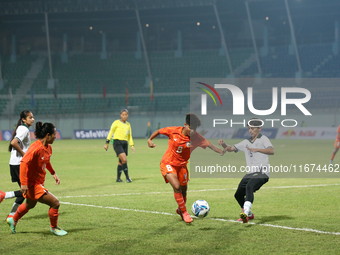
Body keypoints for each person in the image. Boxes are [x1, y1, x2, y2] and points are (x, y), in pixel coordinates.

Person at [148, 113, 225, 223]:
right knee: (176, 186)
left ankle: (180, 209)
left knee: (184, 192)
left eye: (194, 129)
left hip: (182, 166)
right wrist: (150, 139)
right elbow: (159, 131)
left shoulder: (196, 137)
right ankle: (185, 213)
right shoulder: (173, 130)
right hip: (168, 163)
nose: (192, 131)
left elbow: (210, 145)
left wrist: (221, 151)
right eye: (190, 128)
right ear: (185, 125)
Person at [6, 122, 67, 236]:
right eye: (54, 134)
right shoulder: (36, 147)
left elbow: (46, 161)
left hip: (38, 182)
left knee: (30, 204)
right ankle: (54, 228)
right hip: (32, 184)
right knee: (55, 203)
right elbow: (24, 162)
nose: (55, 136)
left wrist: (53, 173)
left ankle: (13, 219)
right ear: (48, 135)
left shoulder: (48, 148)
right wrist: (23, 184)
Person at [218, 118, 274, 223]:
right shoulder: (246, 142)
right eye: (249, 128)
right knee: (238, 195)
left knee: (249, 186)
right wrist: (224, 144)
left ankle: (246, 212)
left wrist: (257, 149)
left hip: (262, 172)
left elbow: (271, 150)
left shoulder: (263, 139)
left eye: (253, 128)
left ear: (259, 128)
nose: (250, 130)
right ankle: (249, 214)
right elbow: (231, 148)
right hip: (251, 173)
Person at [6, 110, 34, 220]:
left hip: (15, 163)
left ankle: (12, 215)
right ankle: (4, 195)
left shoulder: (21, 128)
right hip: (19, 164)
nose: (33, 119)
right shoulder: (24, 129)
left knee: (25, 192)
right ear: (24, 119)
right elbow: (14, 142)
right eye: (30, 117)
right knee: (27, 191)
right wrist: (24, 154)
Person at [104, 109, 135, 183]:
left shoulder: (128, 124)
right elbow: (111, 132)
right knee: (124, 160)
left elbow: (130, 136)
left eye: (126, 114)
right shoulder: (116, 122)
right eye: (123, 114)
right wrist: (107, 143)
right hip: (117, 142)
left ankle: (118, 178)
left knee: (120, 162)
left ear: (128, 115)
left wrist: (132, 145)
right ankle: (127, 178)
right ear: (120, 115)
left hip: (125, 143)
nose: (124, 116)